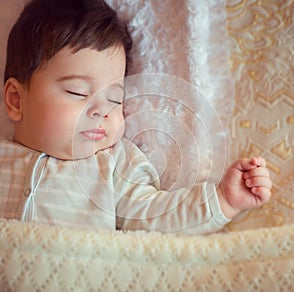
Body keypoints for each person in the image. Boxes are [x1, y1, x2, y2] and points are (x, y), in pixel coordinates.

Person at [0, 0, 272, 234]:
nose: (102, 111)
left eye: (115, 99)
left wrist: (223, 200)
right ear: (16, 100)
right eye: (78, 92)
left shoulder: (113, 166)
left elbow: (156, 215)